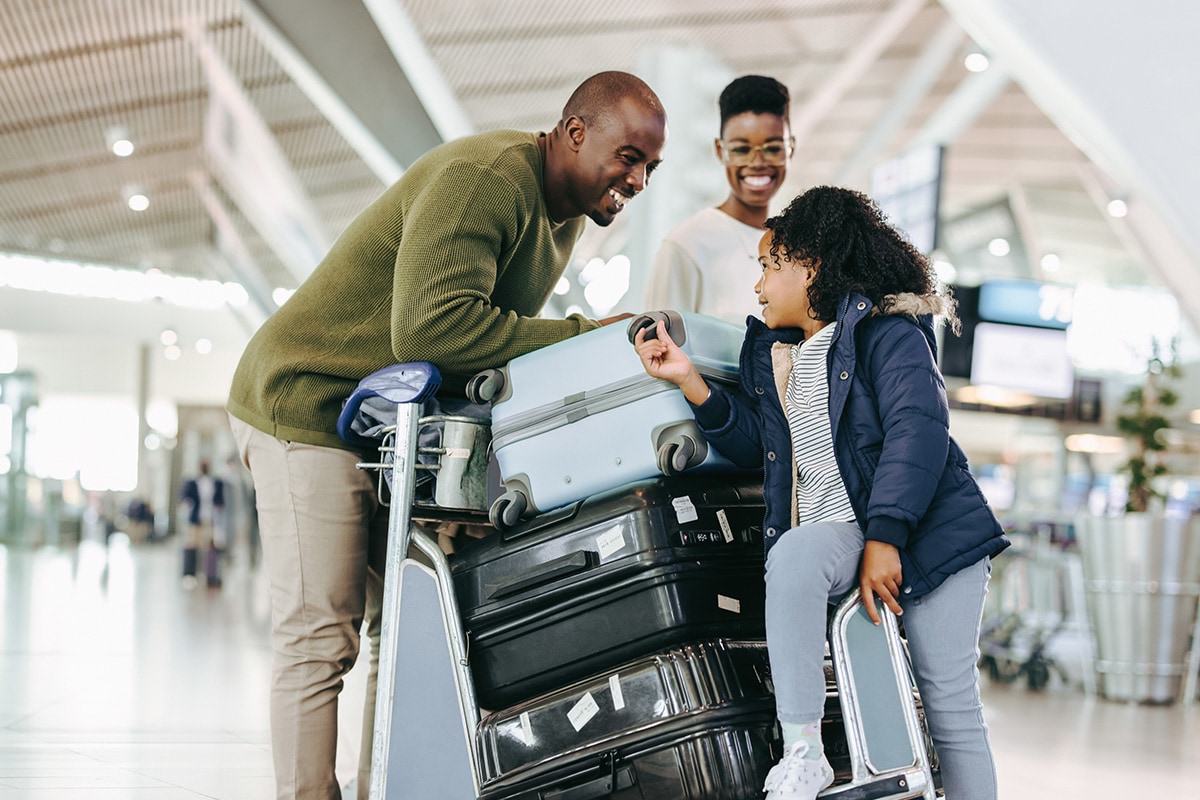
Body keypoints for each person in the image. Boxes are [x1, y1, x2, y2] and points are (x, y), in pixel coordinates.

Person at [226, 71, 667, 800]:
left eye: (650, 166)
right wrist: (589, 336)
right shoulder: (488, 179)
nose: (638, 178)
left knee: (402, 628)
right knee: (321, 632)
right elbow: (431, 328)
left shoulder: (562, 216)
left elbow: (481, 347)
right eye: (628, 156)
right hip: (307, 403)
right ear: (576, 131)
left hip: (383, 426)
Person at [633, 185, 1009, 800]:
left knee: (948, 703)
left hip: (931, 538)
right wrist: (690, 381)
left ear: (809, 266)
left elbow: (918, 433)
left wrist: (887, 537)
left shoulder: (890, 334)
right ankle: (802, 750)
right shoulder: (784, 356)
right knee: (796, 556)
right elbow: (764, 448)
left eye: (768, 267)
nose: (757, 286)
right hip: (848, 532)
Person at [643, 74, 792, 325]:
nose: (757, 163)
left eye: (773, 148)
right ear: (720, 151)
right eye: (741, 150)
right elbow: (656, 351)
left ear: (791, 149)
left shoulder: (797, 246)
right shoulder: (687, 245)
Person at [179, 460, 226, 588]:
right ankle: (189, 575)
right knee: (191, 546)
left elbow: (220, 501)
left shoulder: (216, 483)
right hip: (195, 520)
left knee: (210, 548)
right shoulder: (192, 483)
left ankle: (210, 576)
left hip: (209, 520)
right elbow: (185, 498)